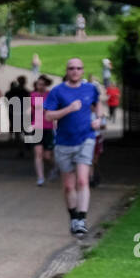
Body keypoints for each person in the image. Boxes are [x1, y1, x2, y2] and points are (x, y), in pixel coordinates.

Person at [43, 57, 102, 236]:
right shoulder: (57, 91)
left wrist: (99, 119)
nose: (75, 71)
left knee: (83, 180)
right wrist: (68, 109)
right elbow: (48, 116)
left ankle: (82, 220)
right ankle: (74, 218)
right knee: (69, 186)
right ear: (67, 71)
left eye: (78, 68)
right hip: (64, 142)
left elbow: (97, 103)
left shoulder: (90, 89)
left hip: (86, 139)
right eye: (71, 68)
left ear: (82, 71)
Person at [30, 74, 56, 185]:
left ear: (46, 85)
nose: (40, 86)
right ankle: (40, 178)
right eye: (38, 84)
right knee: (38, 153)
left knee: (47, 156)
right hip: (36, 127)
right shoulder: (32, 95)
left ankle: (54, 166)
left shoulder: (50, 95)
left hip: (48, 127)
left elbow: (54, 110)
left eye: (42, 84)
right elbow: (30, 110)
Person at [6, 75, 30, 158]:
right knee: (26, 132)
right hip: (24, 114)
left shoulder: (13, 91)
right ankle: (26, 148)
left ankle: (21, 150)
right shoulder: (26, 92)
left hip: (17, 114)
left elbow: (8, 98)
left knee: (18, 134)